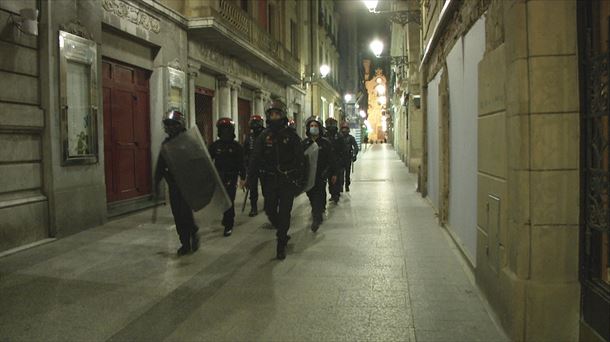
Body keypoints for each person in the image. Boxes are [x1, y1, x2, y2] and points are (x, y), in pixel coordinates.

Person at [247, 99, 305, 260]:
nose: (274, 117)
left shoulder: (291, 136)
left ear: (282, 115)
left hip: (287, 180)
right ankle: (282, 230)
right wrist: (249, 177)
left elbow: (300, 158)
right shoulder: (264, 136)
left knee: (285, 212)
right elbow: (255, 158)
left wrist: (299, 178)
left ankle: (281, 243)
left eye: (277, 114)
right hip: (270, 180)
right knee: (269, 209)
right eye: (271, 114)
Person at [154, 110, 199, 256]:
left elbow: (199, 162)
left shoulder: (189, 142)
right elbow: (160, 165)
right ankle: (184, 243)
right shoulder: (166, 145)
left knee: (185, 213)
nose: (171, 128)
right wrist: (156, 183)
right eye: (168, 125)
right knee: (177, 215)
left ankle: (193, 232)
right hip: (173, 185)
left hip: (187, 185)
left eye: (174, 124)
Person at [209, 118, 246, 237]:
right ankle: (227, 218)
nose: (225, 132)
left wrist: (243, 177)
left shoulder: (236, 147)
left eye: (227, 129)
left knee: (229, 200)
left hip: (231, 176)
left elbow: (241, 163)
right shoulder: (215, 146)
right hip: (218, 176)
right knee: (222, 200)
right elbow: (208, 159)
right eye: (222, 129)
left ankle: (229, 224)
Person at [302, 117, 337, 232]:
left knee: (319, 194)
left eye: (316, 126)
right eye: (311, 126)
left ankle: (316, 218)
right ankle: (317, 209)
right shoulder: (305, 143)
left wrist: (333, 174)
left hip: (321, 175)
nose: (314, 128)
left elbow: (331, 159)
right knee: (311, 195)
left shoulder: (325, 143)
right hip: (308, 176)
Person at [243, 115, 265, 217]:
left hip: (264, 165)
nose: (255, 124)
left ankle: (268, 204)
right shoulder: (249, 137)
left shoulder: (266, 135)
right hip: (253, 166)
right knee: (253, 188)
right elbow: (245, 151)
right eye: (253, 122)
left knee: (266, 186)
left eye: (257, 122)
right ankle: (253, 207)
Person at [324, 117, 349, 203]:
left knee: (337, 178)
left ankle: (336, 194)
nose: (330, 126)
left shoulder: (339, 136)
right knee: (330, 179)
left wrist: (343, 160)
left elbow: (343, 149)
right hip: (327, 162)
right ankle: (332, 193)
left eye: (331, 124)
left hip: (337, 161)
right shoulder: (325, 135)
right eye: (329, 124)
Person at [340, 122, 359, 192]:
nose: (344, 130)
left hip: (348, 158)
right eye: (343, 129)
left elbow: (356, 147)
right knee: (341, 174)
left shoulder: (351, 138)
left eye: (346, 129)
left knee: (347, 173)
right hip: (341, 158)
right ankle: (341, 186)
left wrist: (354, 154)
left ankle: (347, 185)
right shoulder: (339, 137)